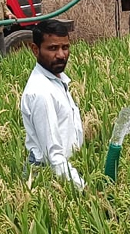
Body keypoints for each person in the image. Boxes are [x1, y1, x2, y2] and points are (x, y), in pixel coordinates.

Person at [20, 19, 86, 190]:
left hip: (67, 172)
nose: (61, 55)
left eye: (65, 47)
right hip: (52, 180)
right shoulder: (41, 92)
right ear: (35, 50)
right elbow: (53, 157)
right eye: (53, 48)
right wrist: (84, 190)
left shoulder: (58, 81)